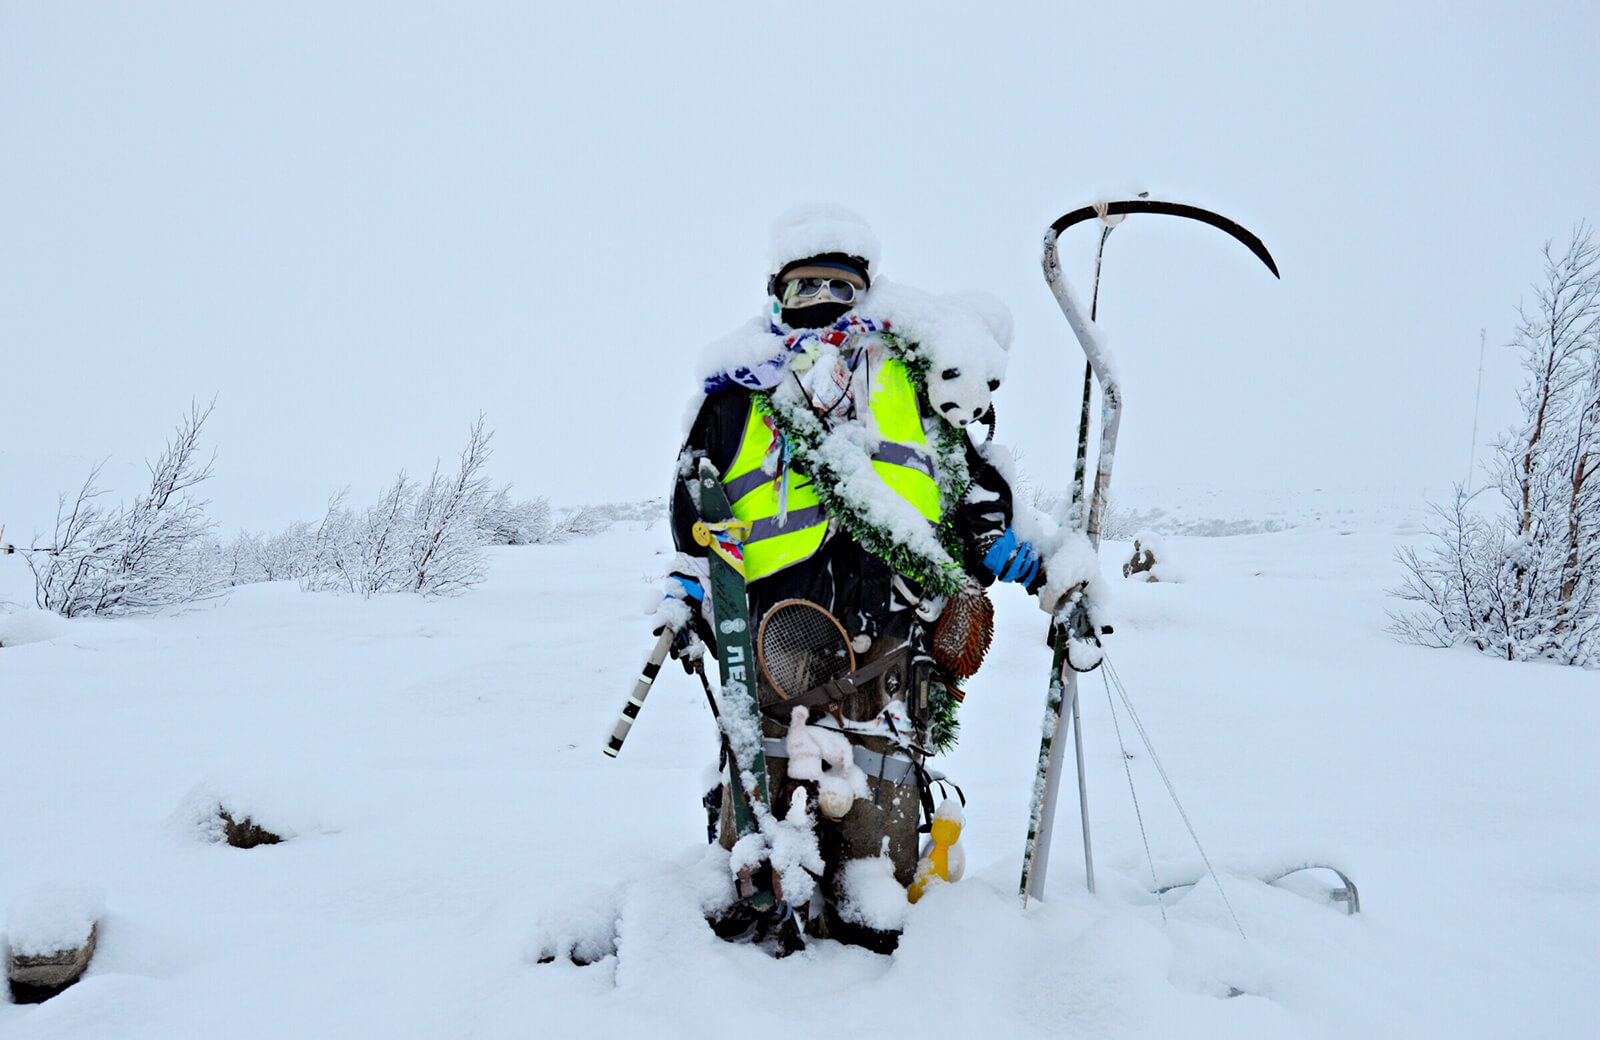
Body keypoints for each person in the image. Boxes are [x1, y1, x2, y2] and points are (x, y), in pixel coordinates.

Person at [662, 205, 1098, 951]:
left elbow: (968, 492)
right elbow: (693, 518)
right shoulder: (735, 397)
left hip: (890, 647)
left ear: (867, 291)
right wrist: (688, 588)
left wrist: (1027, 558)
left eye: (840, 285)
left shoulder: (911, 380)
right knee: (753, 851)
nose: (822, 301)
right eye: (804, 287)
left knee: (874, 869)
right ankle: (754, 919)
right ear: (776, 295)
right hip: (769, 646)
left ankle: (870, 925)